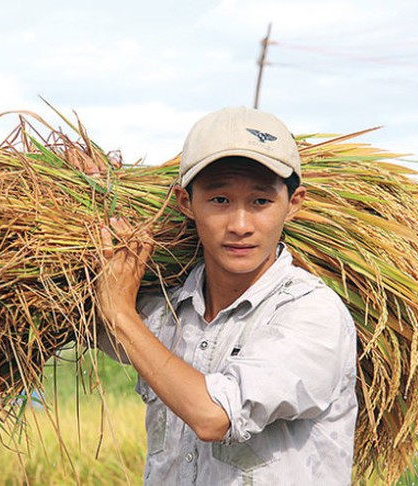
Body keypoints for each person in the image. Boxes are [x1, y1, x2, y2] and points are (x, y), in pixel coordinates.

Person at [95, 107, 357, 485]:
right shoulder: (164, 311)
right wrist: (94, 192)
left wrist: (119, 314)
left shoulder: (312, 314)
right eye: (219, 200)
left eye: (260, 202)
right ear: (185, 202)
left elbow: (213, 415)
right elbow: (80, 318)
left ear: (293, 204)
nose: (240, 225)